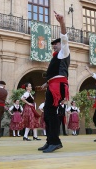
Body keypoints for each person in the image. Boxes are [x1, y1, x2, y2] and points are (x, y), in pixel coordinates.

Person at [39, 11, 70, 153]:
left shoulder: (64, 51)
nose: (54, 45)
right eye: (53, 44)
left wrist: (62, 22)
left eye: (55, 43)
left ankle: (55, 142)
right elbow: (53, 74)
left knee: (51, 113)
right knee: (47, 113)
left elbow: (64, 37)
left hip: (58, 86)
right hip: (52, 85)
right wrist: (45, 84)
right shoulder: (55, 57)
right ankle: (50, 140)